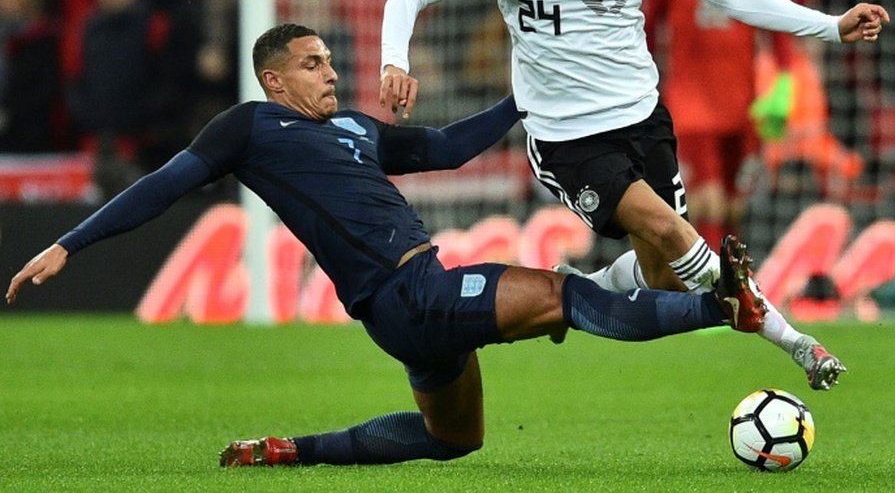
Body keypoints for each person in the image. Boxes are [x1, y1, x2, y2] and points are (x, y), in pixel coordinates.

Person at [6, 23, 765, 468]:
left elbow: (446, 148)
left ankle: (288, 452)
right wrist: (71, 242)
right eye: (313, 64)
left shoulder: (358, 130)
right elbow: (164, 184)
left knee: (452, 440)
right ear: (274, 78)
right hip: (412, 295)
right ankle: (720, 308)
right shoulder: (249, 127)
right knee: (565, 296)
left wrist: (523, 97)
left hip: (404, 308)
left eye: (332, 61)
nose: (332, 72)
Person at [379, 0, 889, 391]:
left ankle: (580, 286)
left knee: (664, 283)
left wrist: (829, 26)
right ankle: (799, 344)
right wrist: (394, 62)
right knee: (672, 232)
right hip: (568, 140)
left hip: (644, 123)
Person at [642, 0, 797, 249]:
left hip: (744, 107)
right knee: (705, 201)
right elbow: (643, 30)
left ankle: (731, 291)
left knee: (733, 206)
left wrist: (783, 90)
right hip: (690, 107)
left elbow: (781, 39)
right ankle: (708, 295)